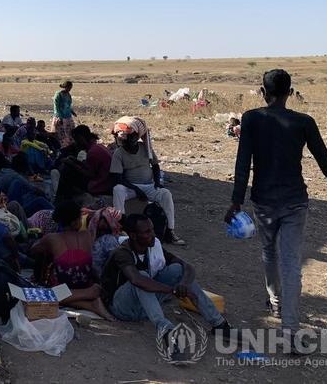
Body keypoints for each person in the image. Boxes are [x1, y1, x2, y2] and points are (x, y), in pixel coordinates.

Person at [225, 69, 327, 336]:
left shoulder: (251, 118)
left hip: (263, 202)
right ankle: (292, 332)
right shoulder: (304, 121)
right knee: (291, 265)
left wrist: (236, 200)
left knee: (269, 253)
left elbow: (243, 163)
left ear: (263, 92)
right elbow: (325, 160)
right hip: (295, 201)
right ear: (290, 93)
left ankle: (275, 302)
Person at [100, 214, 230, 358]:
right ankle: (167, 333)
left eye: (152, 230)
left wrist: (183, 285)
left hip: (146, 305)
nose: (153, 234)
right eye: (147, 232)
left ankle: (219, 324)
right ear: (133, 235)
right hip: (122, 308)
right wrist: (172, 290)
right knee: (142, 277)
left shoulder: (153, 246)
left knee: (177, 270)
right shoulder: (122, 253)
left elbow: (187, 267)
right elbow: (136, 280)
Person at [29, 200, 114, 320]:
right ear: (75, 222)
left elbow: (33, 250)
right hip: (85, 283)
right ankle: (90, 303)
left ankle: (89, 295)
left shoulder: (52, 238)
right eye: (80, 218)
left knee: (42, 296)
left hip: (65, 286)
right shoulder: (87, 235)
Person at [109, 117, 185, 245]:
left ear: (135, 137)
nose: (126, 140)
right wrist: (136, 190)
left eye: (130, 137)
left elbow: (155, 166)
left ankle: (170, 232)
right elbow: (117, 178)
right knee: (117, 189)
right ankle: (121, 226)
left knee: (165, 193)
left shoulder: (145, 148)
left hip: (149, 185)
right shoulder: (119, 153)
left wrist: (157, 183)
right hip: (131, 187)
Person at [87, 206, 123, 276]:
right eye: (99, 230)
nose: (101, 233)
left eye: (104, 230)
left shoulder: (116, 237)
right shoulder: (107, 239)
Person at [51, 80, 77, 147]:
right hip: (60, 116)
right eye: (69, 87)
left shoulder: (68, 95)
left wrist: (72, 111)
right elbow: (56, 106)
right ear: (65, 87)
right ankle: (62, 146)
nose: (70, 89)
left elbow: (68, 105)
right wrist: (59, 117)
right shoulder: (59, 94)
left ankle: (70, 145)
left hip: (68, 116)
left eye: (71, 88)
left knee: (70, 132)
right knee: (61, 132)